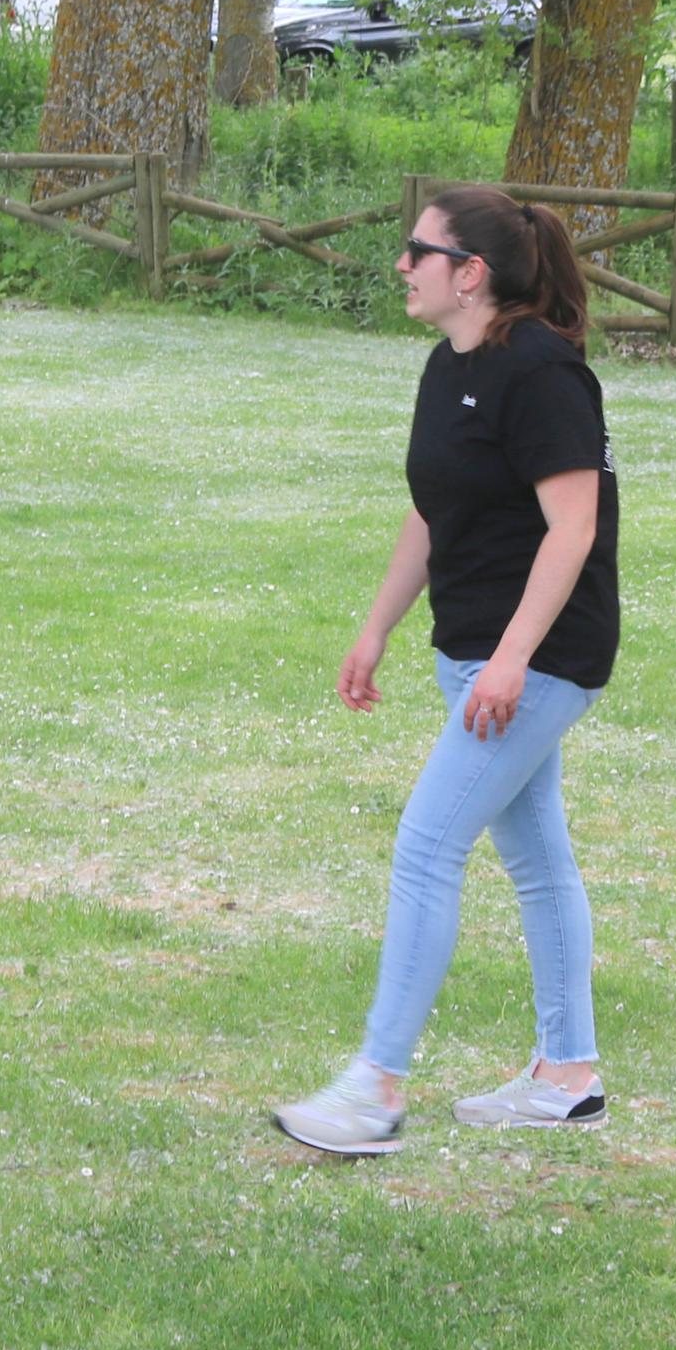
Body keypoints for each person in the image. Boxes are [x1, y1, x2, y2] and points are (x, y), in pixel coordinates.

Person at [273, 187, 622, 1157]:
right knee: (537, 860)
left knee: (426, 846)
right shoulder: (447, 366)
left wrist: (511, 659)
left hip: (541, 655)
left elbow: (574, 528)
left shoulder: (544, 374)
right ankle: (567, 1076)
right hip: (469, 647)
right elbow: (431, 510)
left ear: (469, 272)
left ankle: (373, 1090)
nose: (401, 265)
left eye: (416, 250)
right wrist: (376, 626)